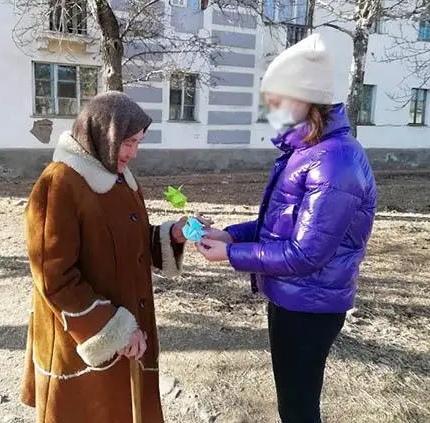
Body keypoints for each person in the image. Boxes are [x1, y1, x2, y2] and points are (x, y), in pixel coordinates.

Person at [197, 33, 377, 423]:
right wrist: (231, 235)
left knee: (298, 410)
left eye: (277, 102)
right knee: (292, 405)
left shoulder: (335, 161)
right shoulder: (306, 152)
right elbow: (279, 226)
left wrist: (231, 255)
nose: (271, 111)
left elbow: (306, 253)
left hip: (310, 306)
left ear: (306, 99)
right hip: (292, 297)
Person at [20, 91, 192, 423]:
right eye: (128, 142)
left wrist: (171, 235)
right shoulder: (59, 183)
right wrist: (114, 330)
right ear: (103, 134)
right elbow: (54, 278)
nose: (134, 153)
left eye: (138, 142)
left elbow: (130, 241)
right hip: (79, 342)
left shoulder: (120, 179)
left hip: (126, 334)